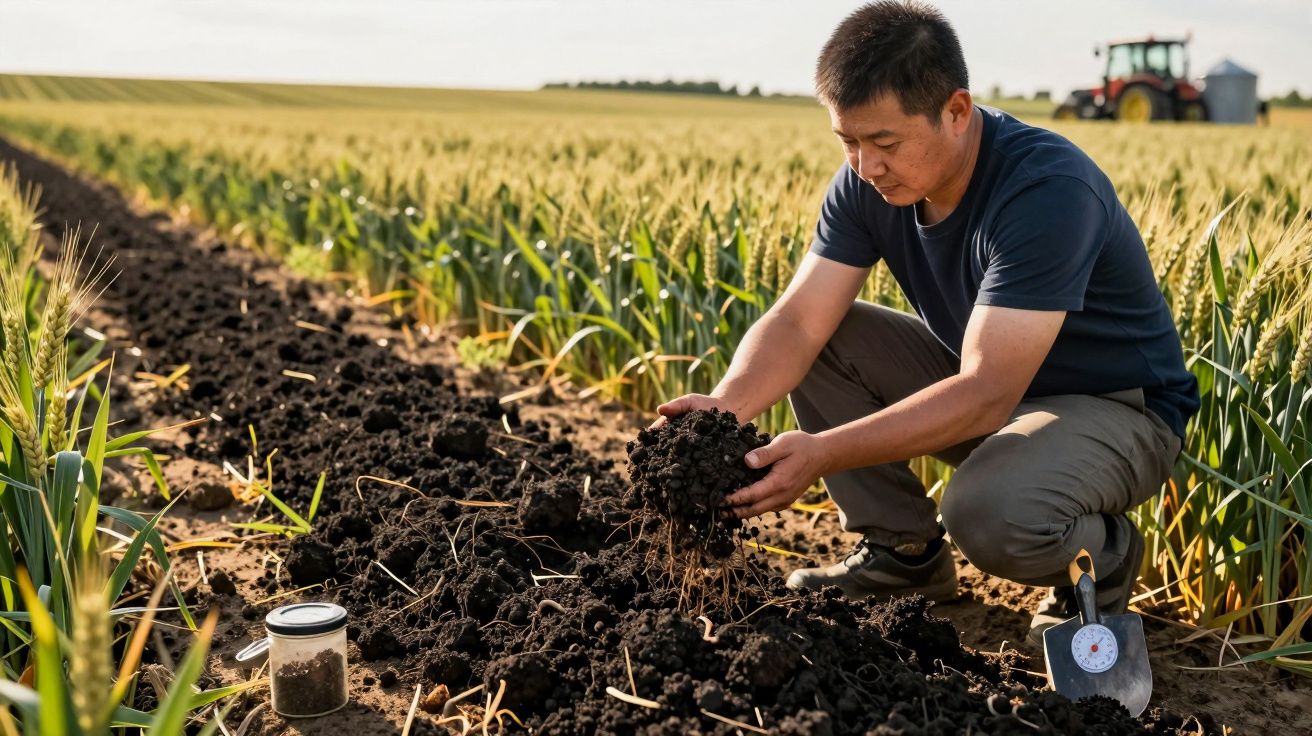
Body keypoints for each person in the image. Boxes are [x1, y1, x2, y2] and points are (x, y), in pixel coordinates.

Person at [653, 0, 1198, 645]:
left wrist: (821, 454)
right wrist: (722, 410)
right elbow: (800, 321)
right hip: (994, 388)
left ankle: (1099, 564)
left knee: (987, 512)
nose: (865, 166)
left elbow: (986, 390)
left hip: (1116, 409)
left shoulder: (1046, 189)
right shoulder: (867, 182)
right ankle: (903, 555)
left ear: (957, 111)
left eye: (885, 143)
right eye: (848, 142)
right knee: (831, 338)